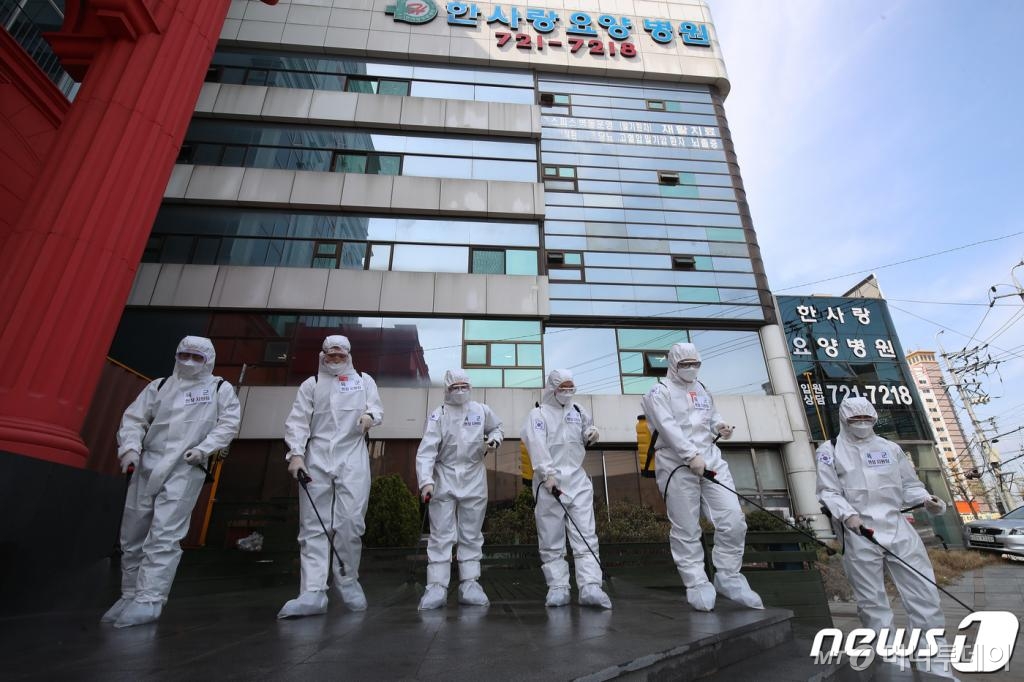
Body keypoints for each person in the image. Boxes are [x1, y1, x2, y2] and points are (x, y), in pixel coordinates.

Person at [101, 336, 241, 628]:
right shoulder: (160, 386)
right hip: (147, 465)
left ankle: (150, 598)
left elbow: (228, 424)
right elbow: (135, 419)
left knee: (164, 534)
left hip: (185, 467)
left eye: (197, 357)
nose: (189, 362)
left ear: (209, 360)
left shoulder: (219, 389)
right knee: (132, 532)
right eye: (184, 355)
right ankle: (129, 594)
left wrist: (204, 449)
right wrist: (129, 448)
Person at [817, 397, 954, 677]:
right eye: (856, 420)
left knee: (924, 594)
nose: (862, 424)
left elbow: (909, 485)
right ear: (844, 420)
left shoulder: (890, 449)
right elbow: (827, 491)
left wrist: (927, 499)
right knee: (872, 602)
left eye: (867, 419)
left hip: (897, 526)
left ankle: (935, 665)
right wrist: (847, 515)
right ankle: (890, 663)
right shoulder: (829, 450)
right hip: (859, 532)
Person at [640, 342, 762, 612]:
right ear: (673, 364)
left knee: (733, 519)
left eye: (695, 363)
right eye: (685, 364)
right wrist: (689, 455)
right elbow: (668, 428)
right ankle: (696, 582)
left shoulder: (703, 388)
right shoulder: (658, 392)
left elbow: (711, 416)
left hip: (711, 458)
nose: (691, 368)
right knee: (686, 527)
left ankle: (729, 577)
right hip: (676, 464)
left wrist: (720, 426)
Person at [278, 335, 383, 618]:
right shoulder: (311, 384)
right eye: (331, 356)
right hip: (317, 455)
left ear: (348, 356)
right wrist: (296, 454)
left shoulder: (364, 380)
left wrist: (370, 418)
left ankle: (347, 579)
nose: (335, 360)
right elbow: (298, 420)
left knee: (351, 520)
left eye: (340, 356)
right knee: (313, 524)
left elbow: (376, 408)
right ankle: (312, 591)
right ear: (323, 356)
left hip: (352, 453)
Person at [520, 369, 611, 609]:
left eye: (571, 387)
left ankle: (590, 586)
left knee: (586, 534)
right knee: (551, 537)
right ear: (552, 388)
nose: (567, 392)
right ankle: (558, 586)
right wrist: (547, 473)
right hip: (550, 482)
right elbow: (536, 444)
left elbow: (585, 431)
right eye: (563, 387)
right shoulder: (538, 414)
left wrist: (590, 434)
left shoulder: (578, 410)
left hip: (577, 480)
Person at [415, 369, 503, 610]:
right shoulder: (439, 415)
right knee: (441, 533)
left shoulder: (481, 410)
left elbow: (497, 428)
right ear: (447, 389)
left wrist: (494, 439)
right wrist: (426, 481)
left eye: (465, 386)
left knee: (471, 533)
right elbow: (427, 450)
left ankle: (470, 583)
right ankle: (436, 585)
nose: (461, 390)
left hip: (474, 476)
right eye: (456, 387)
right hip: (444, 475)